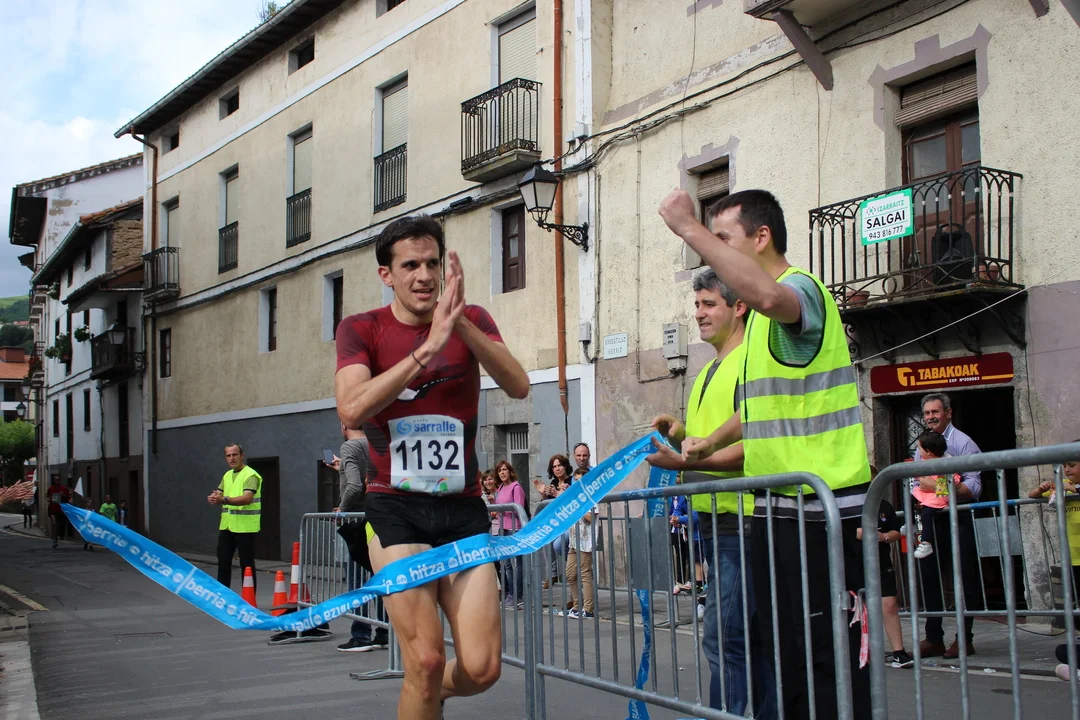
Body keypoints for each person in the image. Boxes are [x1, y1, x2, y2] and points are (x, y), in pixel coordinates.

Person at [663, 188, 871, 719]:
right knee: (787, 657)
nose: (713, 251)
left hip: (824, 506)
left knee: (827, 661)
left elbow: (774, 298)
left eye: (722, 239)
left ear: (762, 238)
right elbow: (760, 407)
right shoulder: (757, 325)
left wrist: (689, 228)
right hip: (778, 508)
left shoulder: (799, 290)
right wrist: (709, 442)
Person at [334, 215, 529, 719]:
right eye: (410, 266)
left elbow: (519, 385)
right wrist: (427, 349)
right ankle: (422, 688)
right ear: (386, 274)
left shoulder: (473, 319)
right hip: (394, 507)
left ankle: (426, 696)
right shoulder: (361, 328)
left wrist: (458, 323)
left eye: (432, 263)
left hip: (462, 510)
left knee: (482, 669)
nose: (424, 276)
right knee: (424, 660)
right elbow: (351, 409)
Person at [647, 268, 772, 716]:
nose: (698, 313)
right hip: (715, 523)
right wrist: (682, 434)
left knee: (725, 638)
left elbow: (755, 444)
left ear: (739, 307)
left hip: (742, 521)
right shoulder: (707, 371)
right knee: (749, 639)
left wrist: (685, 463)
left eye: (708, 304)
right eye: (696, 304)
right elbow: (708, 443)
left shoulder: (750, 362)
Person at [913, 392, 983, 660]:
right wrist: (923, 494)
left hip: (958, 518)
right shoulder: (922, 445)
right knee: (929, 576)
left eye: (935, 412)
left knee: (964, 578)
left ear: (948, 413)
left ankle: (965, 639)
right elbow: (915, 480)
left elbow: (973, 486)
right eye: (927, 413)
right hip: (932, 520)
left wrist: (937, 487)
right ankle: (934, 639)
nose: (930, 417)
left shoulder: (963, 443)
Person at [335, 424, 389, 653]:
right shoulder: (378, 443)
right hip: (379, 518)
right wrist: (340, 468)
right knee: (378, 576)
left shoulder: (349, 447)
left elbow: (355, 484)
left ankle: (361, 634)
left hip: (356, 522)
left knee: (356, 580)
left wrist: (342, 509)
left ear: (345, 424)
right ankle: (384, 632)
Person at [860, 495, 912, 668]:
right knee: (857, 608)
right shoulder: (847, 503)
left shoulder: (884, 506)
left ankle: (899, 653)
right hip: (853, 562)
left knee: (889, 605)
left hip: (881, 562)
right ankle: (862, 651)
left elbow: (896, 532)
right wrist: (857, 533)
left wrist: (884, 536)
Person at [207, 444, 262, 591]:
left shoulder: (250, 475)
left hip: (245, 527)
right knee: (223, 561)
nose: (232, 458)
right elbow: (219, 492)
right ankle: (223, 595)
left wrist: (223, 499)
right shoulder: (227, 475)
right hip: (227, 526)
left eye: (235, 454)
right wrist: (214, 497)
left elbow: (247, 498)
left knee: (247, 564)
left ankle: (249, 598)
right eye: (228, 455)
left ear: (242, 456)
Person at [909, 431, 958, 560]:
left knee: (926, 514)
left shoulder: (946, 463)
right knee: (908, 499)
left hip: (937, 497)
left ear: (928, 451)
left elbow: (948, 484)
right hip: (924, 493)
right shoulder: (924, 461)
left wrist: (932, 485)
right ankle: (910, 524)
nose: (918, 452)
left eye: (919, 448)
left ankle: (926, 542)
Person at [558, 466, 597, 619]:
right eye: (576, 481)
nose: (578, 484)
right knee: (570, 574)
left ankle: (588, 609)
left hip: (586, 541)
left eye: (581, 481)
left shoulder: (593, 495)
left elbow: (591, 517)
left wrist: (578, 507)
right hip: (574, 540)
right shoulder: (576, 496)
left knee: (585, 574)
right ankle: (576, 606)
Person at [494, 460, 527, 608]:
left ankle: (517, 595)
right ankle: (510, 593)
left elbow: (518, 508)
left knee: (518, 564)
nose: (502, 472)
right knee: (506, 564)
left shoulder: (516, 487)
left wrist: (503, 509)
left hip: (515, 528)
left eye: (504, 469)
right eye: (500, 470)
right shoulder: (500, 488)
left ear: (510, 471)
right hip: (502, 528)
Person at [47, 475, 71, 549]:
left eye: (58, 480)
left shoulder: (63, 489)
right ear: (54, 480)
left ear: (60, 480)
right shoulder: (51, 488)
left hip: (60, 510)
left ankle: (59, 536)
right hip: (52, 509)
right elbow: (47, 496)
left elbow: (68, 499)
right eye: (55, 479)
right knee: (54, 523)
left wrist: (63, 495)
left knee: (60, 525)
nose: (56, 481)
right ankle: (55, 540)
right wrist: (48, 499)